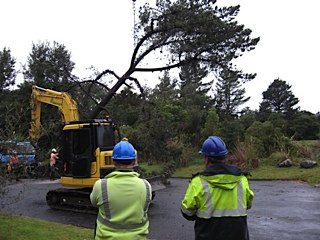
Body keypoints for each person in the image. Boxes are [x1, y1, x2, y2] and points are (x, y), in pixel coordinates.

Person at [181, 136, 254, 240]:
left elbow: (187, 212)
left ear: (206, 159)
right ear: (225, 157)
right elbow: (248, 204)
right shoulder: (241, 179)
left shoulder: (198, 182)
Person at [90, 139, 152, 240]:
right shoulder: (146, 186)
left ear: (113, 161)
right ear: (134, 161)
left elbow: (94, 203)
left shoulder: (100, 185)